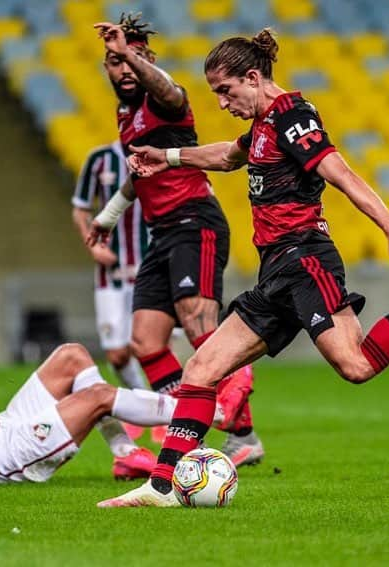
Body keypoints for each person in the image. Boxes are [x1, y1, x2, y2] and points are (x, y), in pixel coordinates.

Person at [92, 29, 389, 507]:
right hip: (274, 273)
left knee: (356, 365)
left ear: (253, 78)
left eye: (225, 90)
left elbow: (341, 173)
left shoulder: (293, 116)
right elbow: (226, 156)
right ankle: (161, 487)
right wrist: (168, 156)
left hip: (306, 260)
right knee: (201, 369)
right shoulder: (260, 125)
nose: (221, 102)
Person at [90, 13, 263, 466]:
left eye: (132, 60)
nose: (124, 69)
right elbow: (138, 175)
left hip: (195, 223)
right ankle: (231, 432)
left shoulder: (165, 101)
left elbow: (170, 89)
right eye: (114, 62)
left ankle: (238, 375)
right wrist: (108, 217)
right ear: (105, 70)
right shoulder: (125, 115)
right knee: (145, 342)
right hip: (160, 232)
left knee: (199, 327)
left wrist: (130, 52)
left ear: (148, 63)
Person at [0, 295, 239, 484]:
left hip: (0, 428)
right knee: (96, 398)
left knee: (72, 355)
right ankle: (203, 411)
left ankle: (124, 451)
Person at [72, 140, 150, 438]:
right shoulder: (100, 158)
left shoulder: (161, 152)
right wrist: (93, 247)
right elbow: (80, 210)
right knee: (117, 354)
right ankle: (146, 403)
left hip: (151, 268)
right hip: (111, 273)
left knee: (150, 342)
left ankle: (164, 412)